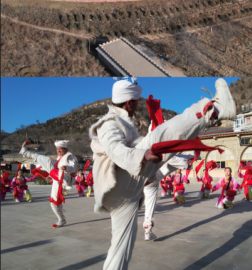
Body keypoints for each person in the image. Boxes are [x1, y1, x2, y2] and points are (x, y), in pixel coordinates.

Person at [89, 78, 236, 270]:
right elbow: (115, 149)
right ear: (128, 102)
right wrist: (143, 154)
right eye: (136, 102)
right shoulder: (108, 123)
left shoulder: (122, 122)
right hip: (120, 178)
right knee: (160, 136)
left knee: (121, 245)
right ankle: (214, 109)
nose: (136, 106)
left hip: (124, 194)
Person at [21, 140, 78, 227]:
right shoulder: (59, 157)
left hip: (64, 179)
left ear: (66, 149)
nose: (58, 150)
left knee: (47, 160)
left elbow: (73, 168)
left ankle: (25, 153)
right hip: (57, 179)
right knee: (54, 202)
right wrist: (51, 176)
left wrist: (66, 167)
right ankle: (61, 220)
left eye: (60, 149)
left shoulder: (70, 157)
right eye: (57, 149)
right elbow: (56, 168)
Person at [142, 155, 192, 241]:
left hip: (142, 177)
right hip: (153, 175)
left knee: (148, 204)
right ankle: (148, 230)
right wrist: (186, 164)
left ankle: (148, 230)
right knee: (149, 203)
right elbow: (168, 156)